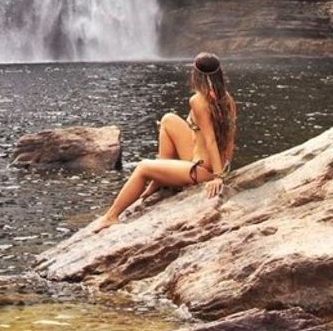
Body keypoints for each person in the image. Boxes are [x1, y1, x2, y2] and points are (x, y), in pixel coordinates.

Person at [92, 52, 237, 232]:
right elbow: (230, 140)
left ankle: (111, 216)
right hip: (210, 162)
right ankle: (159, 180)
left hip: (202, 169)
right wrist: (225, 166)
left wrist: (217, 177)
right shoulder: (228, 100)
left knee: (143, 167)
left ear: (196, 74)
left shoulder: (199, 101)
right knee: (168, 119)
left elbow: (211, 140)